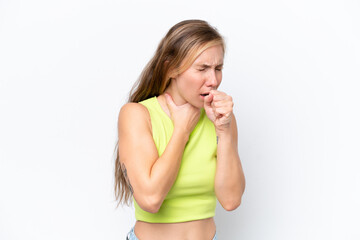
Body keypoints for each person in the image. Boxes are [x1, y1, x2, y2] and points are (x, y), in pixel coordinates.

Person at [114, 19, 246, 240]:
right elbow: (150, 199)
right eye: (202, 69)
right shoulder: (137, 115)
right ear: (171, 68)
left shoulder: (221, 120)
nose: (213, 80)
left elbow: (231, 200)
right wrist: (181, 130)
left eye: (218, 68)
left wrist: (224, 131)